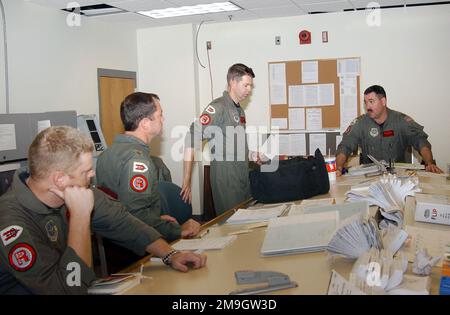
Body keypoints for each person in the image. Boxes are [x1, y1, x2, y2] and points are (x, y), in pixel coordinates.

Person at [0, 126, 206, 295]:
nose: (92, 175)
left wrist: (170, 254)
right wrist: (80, 217)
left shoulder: (77, 189)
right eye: (86, 171)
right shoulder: (11, 222)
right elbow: (68, 291)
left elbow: (125, 223)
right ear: (59, 179)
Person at [96, 92, 200, 242]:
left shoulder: (107, 154)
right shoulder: (137, 161)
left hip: (114, 240)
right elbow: (136, 216)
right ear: (145, 123)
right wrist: (178, 230)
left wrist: (156, 219)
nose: (163, 119)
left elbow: (123, 207)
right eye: (160, 115)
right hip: (138, 246)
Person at [181, 63, 261, 216]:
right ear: (232, 82)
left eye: (250, 86)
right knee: (232, 224)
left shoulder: (239, 110)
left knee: (247, 222)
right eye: (246, 85)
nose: (249, 90)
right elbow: (192, 135)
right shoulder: (218, 107)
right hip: (226, 178)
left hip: (242, 174)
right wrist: (187, 179)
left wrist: (251, 155)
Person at [335, 85, 443, 176]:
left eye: (371, 101)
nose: (368, 106)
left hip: (398, 176)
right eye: (366, 102)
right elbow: (345, 146)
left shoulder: (401, 121)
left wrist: (429, 163)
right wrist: (339, 168)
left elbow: (421, 141)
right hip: (369, 177)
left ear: (383, 101)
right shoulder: (360, 123)